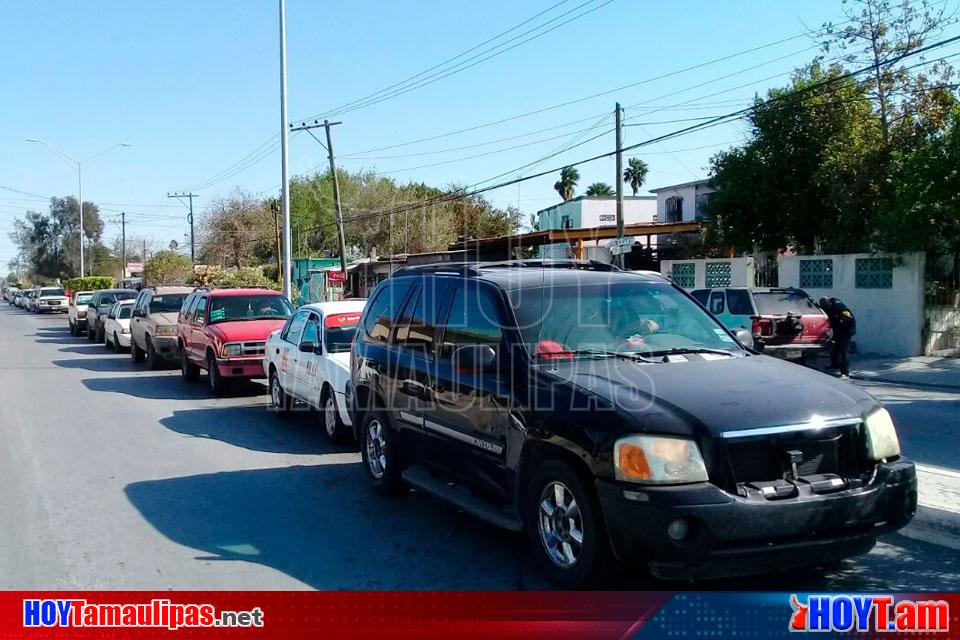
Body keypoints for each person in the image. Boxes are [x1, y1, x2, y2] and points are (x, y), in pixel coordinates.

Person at [819, 297, 856, 379]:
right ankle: (835, 365)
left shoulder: (840, 308)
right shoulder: (827, 307)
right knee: (835, 348)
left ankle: (845, 372)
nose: (826, 308)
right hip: (838, 329)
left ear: (829, 303)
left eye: (827, 306)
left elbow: (848, 320)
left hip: (846, 330)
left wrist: (839, 331)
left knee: (844, 351)